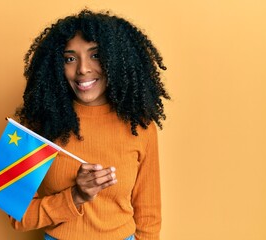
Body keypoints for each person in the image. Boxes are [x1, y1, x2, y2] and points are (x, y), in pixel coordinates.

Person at [10, 9, 170, 240]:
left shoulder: (141, 126)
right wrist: (76, 195)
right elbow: (17, 217)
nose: (83, 69)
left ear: (117, 60)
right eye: (70, 58)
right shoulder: (35, 126)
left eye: (95, 55)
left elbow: (149, 216)